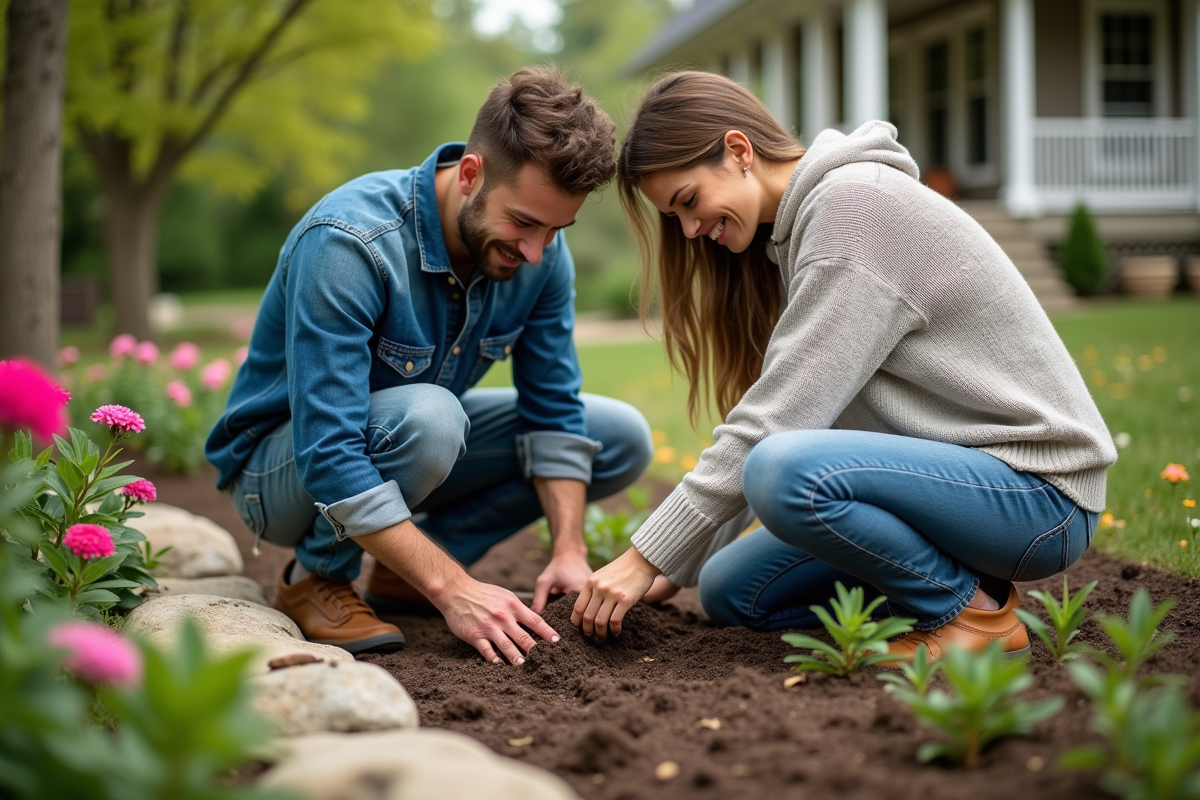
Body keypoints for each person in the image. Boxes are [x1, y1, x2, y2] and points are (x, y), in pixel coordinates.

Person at [571, 71, 1116, 661]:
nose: (690, 230)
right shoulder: (793, 233)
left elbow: (775, 426)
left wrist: (643, 557)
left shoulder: (855, 208)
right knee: (734, 591)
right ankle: (943, 595)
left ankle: (967, 614)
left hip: (1037, 493)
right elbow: (782, 408)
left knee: (781, 467)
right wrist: (678, 566)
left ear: (738, 151)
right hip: (958, 487)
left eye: (688, 201)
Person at [206, 66, 654, 664]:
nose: (536, 252)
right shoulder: (350, 242)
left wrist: (568, 550)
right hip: (280, 471)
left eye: (556, 229)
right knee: (432, 417)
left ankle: (406, 570)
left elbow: (555, 409)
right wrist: (458, 590)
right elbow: (329, 452)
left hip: (403, 437)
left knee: (615, 436)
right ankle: (318, 578)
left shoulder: (542, 253)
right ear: (471, 174)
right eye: (523, 222)